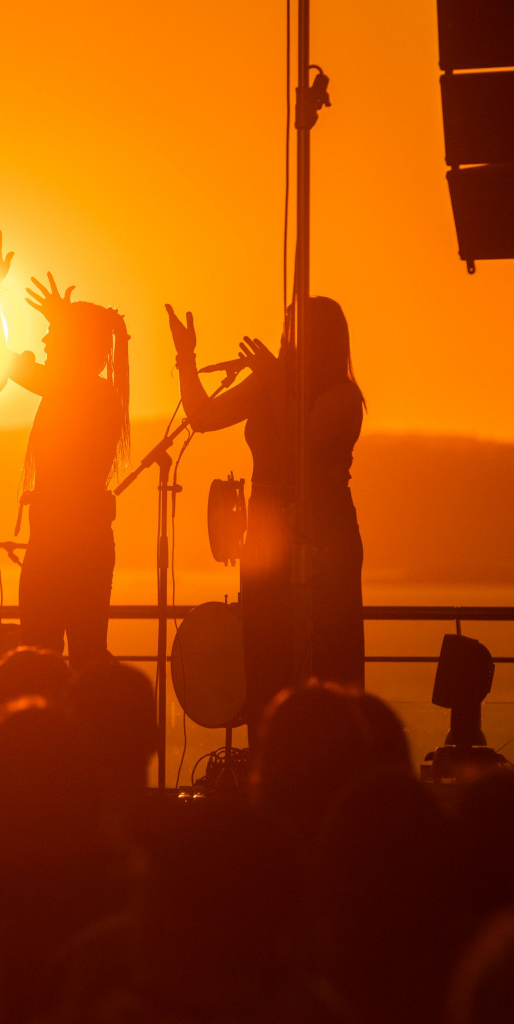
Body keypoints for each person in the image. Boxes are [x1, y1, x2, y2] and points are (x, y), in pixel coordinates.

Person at [167, 295, 365, 732]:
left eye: (296, 330)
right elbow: (203, 417)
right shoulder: (269, 383)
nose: (286, 337)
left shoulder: (343, 397)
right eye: (286, 327)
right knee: (264, 650)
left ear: (322, 340)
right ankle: (267, 747)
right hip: (264, 529)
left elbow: (302, 448)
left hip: (323, 532)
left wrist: (276, 382)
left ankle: (328, 748)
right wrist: (186, 356)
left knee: (323, 651)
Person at [0, 229, 130, 669]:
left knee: (48, 656)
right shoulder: (88, 390)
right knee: (69, 653)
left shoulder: (81, 392)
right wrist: (62, 318)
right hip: (68, 542)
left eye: (53, 334)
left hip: (65, 545)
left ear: (75, 344)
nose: (45, 342)